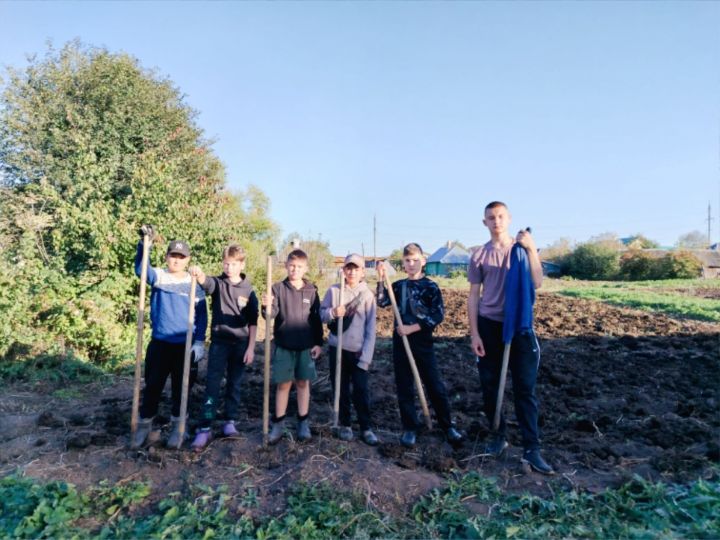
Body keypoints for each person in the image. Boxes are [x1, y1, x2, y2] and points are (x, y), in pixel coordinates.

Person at [467, 201, 553, 474]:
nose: (496, 221)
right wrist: (474, 334)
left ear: (509, 218)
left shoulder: (522, 251)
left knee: (525, 389)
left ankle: (532, 447)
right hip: (489, 325)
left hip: (520, 327)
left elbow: (537, 281)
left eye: (501, 216)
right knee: (491, 386)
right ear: (485, 222)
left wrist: (530, 248)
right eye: (491, 218)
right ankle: (498, 437)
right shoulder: (479, 254)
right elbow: (473, 296)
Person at [376, 243, 464, 448]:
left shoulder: (430, 287)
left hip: (423, 341)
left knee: (434, 384)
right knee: (404, 386)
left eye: (415, 260)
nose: (411, 264)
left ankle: (447, 426)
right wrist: (381, 278)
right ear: (403, 264)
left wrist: (413, 328)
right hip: (401, 342)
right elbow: (382, 302)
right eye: (407, 261)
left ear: (423, 261)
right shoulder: (398, 286)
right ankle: (410, 428)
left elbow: (438, 315)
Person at [131, 225, 207, 449]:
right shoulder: (160, 276)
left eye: (181, 257)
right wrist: (145, 245)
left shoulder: (193, 283)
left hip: (185, 345)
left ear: (187, 260)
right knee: (153, 385)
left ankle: (178, 427)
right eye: (173, 255)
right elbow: (140, 270)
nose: (176, 260)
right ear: (166, 257)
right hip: (160, 342)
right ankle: (144, 426)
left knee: (181, 388)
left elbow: (202, 315)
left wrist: (200, 342)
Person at [188, 244, 258, 451]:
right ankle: (205, 427)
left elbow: (253, 322)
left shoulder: (249, 290)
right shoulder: (218, 283)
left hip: (241, 344)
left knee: (234, 385)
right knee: (212, 385)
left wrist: (251, 348)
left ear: (242, 264)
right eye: (226, 263)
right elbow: (206, 282)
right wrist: (198, 273)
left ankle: (230, 421)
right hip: (219, 343)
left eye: (233, 264)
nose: (229, 267)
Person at [262, 249, 323, 444]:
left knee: (303, 383)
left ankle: (303, 423)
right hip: (284, 345)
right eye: (291, 266)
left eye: (299, 267)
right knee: (283, 384)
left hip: (305, 347)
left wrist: (318, 343)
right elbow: (270, 315)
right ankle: (278, 424)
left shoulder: (312, 290)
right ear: (286, 266)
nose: (295, 269)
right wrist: (266, 307)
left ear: (305, 268)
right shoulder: (277, 288)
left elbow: (316, 320)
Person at [321, 254, 379, 446]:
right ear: (343, 270)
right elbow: (321, 314)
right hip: (337, 349)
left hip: (358, 351)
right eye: (349, 268)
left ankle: (366, 427)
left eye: (356, 269)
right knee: (340, 388)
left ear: (362, 272)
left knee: (361, 390)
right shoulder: (334, 291)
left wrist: (366, 356)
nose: (352, 272)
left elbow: (371, 329)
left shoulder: (368, 296)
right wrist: (332, 313)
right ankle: (345, 424)